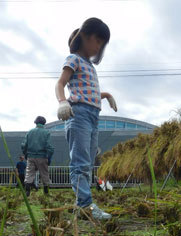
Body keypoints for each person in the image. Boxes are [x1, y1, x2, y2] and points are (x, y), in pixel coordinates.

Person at [55, 18, 117, 220]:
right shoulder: (73, 59)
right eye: (97, 41)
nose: (98, 47)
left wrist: (105, 95)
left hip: (93, 116)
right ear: (84, 36)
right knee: (80, 163)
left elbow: (88, 93)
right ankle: (86, 206)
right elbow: (60, 83)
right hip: (79, 114)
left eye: (102, 44)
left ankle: (81, 204)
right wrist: (62, 102)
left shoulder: (90, 66)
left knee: (88, 163)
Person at [21, 116, 54, 196]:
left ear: (35, 122)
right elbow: (49, 147)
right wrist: (49, 157)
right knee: (44, 174)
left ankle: (27, 192)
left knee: (29, 174)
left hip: (31, 156)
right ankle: (46, 193)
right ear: (44, 123)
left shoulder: (30, 132)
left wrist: (26, 154)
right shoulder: (46, 132)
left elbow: (24, 145)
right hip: (42, 156)